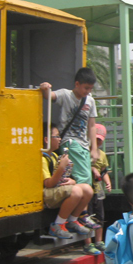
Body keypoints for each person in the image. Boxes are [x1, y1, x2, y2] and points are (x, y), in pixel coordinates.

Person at [39, 67, 99, 246]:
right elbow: (49, 96)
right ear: (77, 84)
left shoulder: (90, 100)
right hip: (71, 142)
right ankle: (77, 217)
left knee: (87, 185)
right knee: (83, 182)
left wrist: (94, 148)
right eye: (85, 88)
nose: (87, 92)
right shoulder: (66, 95)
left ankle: (75, 217)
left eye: (90, 89)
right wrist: (45, 88)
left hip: (83, 145)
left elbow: (92, 126)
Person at [41, 125, 94, 239]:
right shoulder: (42, 159)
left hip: (56, 190)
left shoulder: (54, 156)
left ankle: (72, 221)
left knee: (88, 189)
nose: (60, 139)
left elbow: (60, 178)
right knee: (76, 192)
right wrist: (61, 167)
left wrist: (71, 181)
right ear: (46, 139)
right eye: (57, 136)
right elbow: (48, 183)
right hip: (46, 193)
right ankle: (58, 224)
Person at [85, 123, 112, 253]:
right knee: (87, 216)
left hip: (97, 189)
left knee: (99, 216)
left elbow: (104, 171)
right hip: (86, 189)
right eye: (94, 139)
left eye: (99, 140)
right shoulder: (84, 152)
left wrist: (108, 182)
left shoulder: (102, 154)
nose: (97, 142)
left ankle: (99, 241)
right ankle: (87, 243)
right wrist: (92, 169)